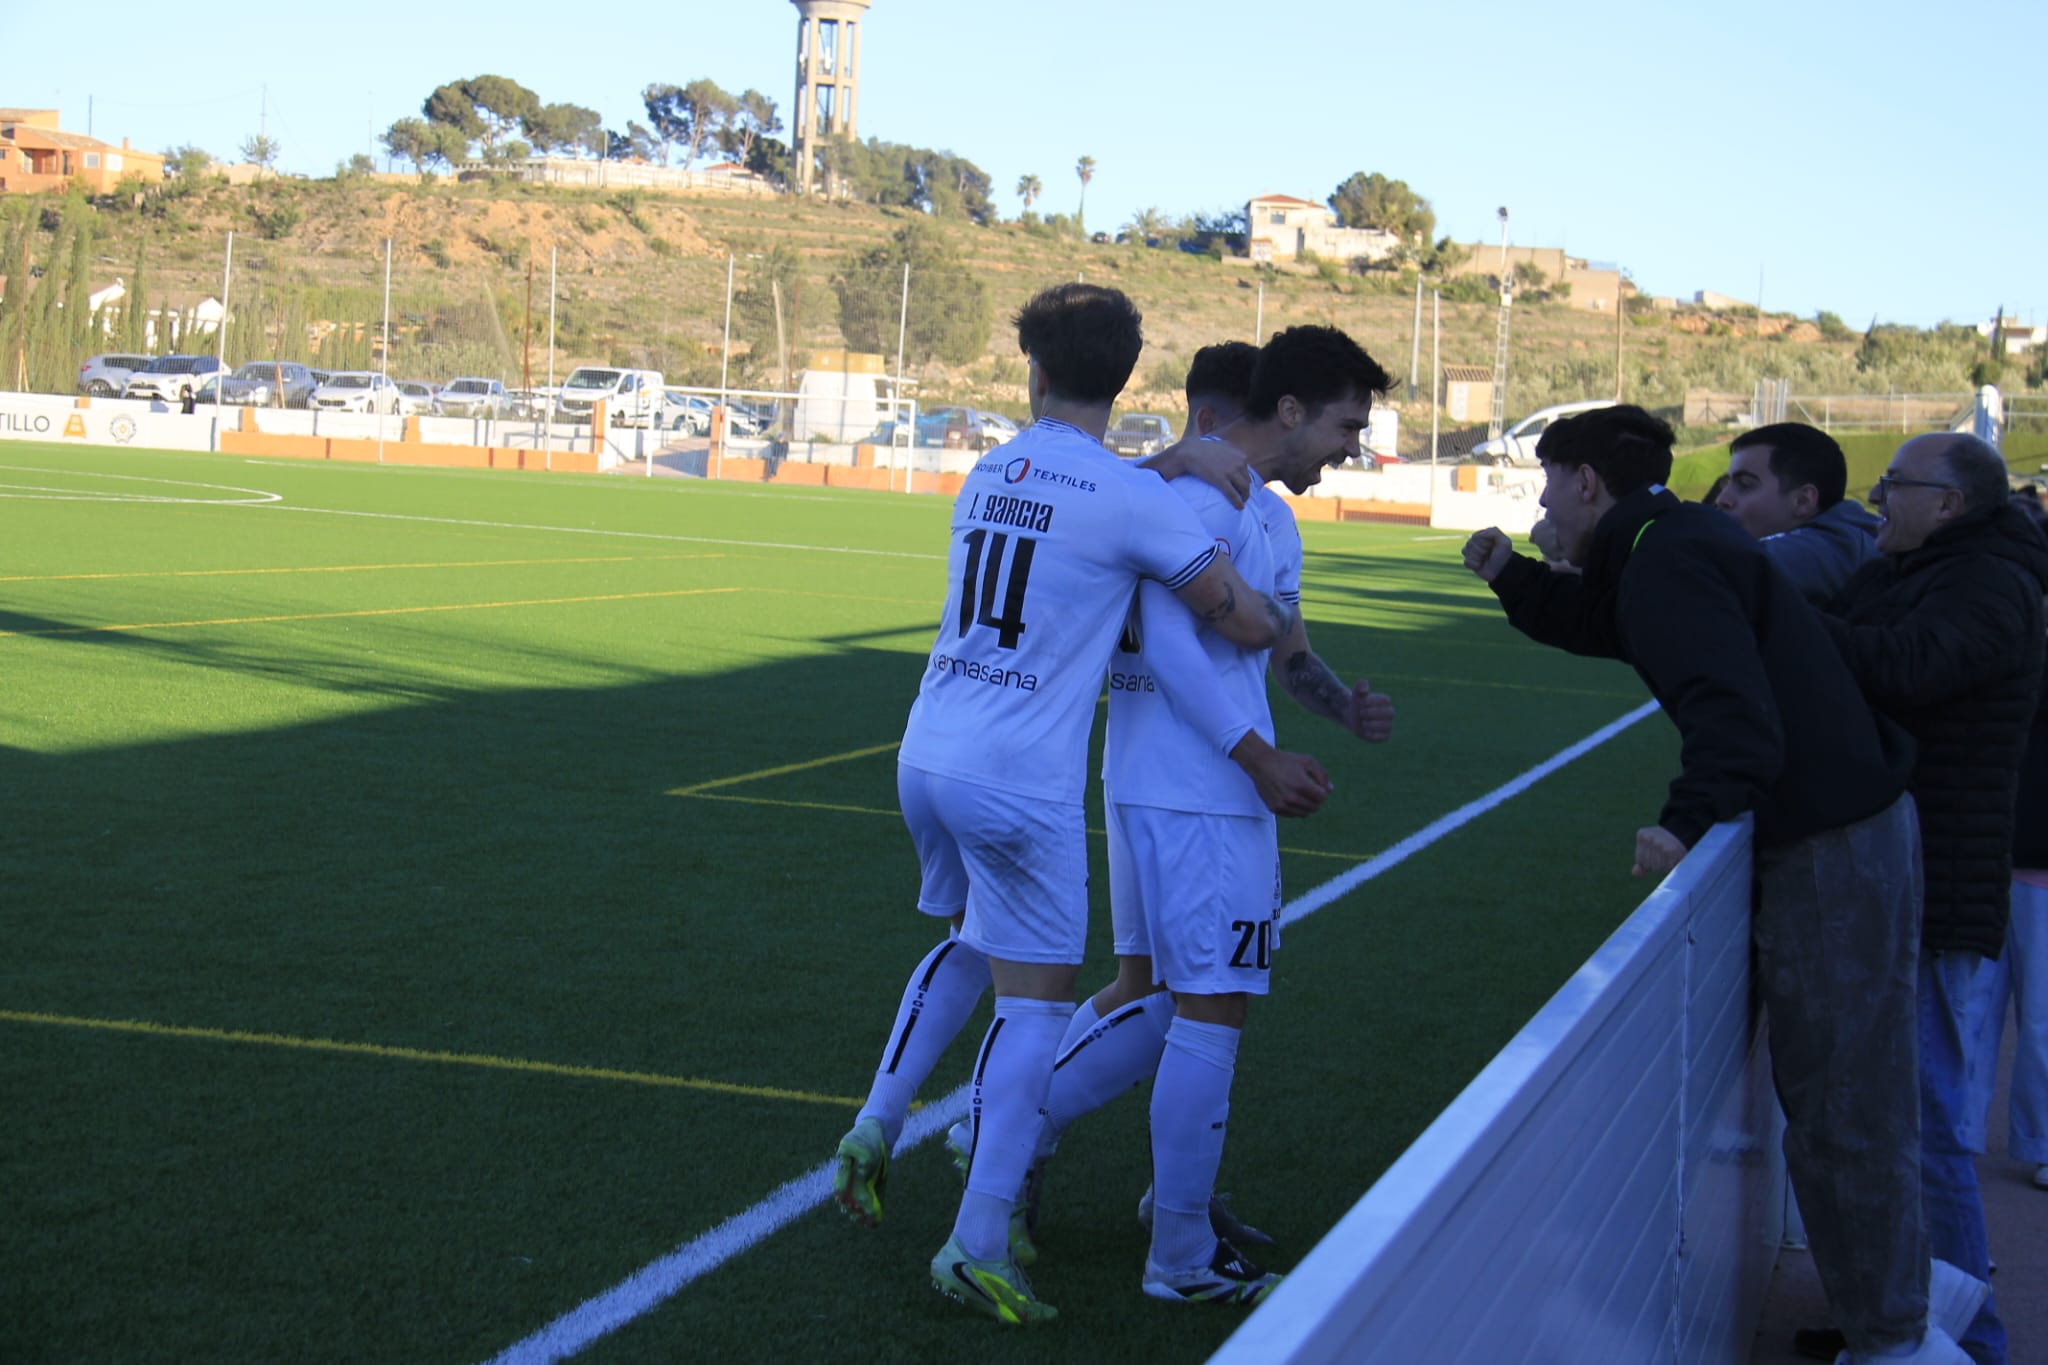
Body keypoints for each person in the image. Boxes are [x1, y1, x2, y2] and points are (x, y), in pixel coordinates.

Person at [1461, 405, 1984, 1365]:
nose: (1540, 500)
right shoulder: (1669, 539)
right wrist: (1515, 576)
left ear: (1586, 483)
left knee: (1842, 1110)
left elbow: (1732, 715)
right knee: (1850, 1099)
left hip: (1835, 843)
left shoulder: (1665, 553)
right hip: (1851, 826)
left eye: (1548, 481)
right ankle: (1910, 1299)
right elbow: (1614, 623)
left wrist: (1684, 819)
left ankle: (1902, 1339)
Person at [831, 282, 1297, 1326]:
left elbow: (1080, 497)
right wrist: (1270, 605)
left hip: (926, 751)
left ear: (1032, 373)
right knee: (1035, 1005)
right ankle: (977, 1238)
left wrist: (1169, 465)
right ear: (1124, 377)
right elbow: (1233, 616)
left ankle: (878, 1117)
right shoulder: (1133, 499)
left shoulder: (987, 468)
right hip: (1017, 775)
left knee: (968, 940)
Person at [963, 329, 1395, 1304]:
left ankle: (1014, 1140)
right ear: (1288, 411)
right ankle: (1179, 1258)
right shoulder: (1210, 498)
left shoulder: (1257, 513)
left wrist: (1338, 707)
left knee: (1157, 996)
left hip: (1162, 781)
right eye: (1343, 424)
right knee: (1210, 1009)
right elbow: (1167, 635)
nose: (1350, 446)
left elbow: (1278, 648)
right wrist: (1256, 757)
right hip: (1198, 789)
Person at [1817, 432, 2048, 1365]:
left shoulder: (1990, 585)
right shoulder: (1922, 569)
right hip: (1906, 874)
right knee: (1901, 1120)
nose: (1878, 498)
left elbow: (1903, 666)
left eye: (1894, 486)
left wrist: (1782, 619)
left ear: (1949, 505)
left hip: (1935, 884)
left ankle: (1975, 1337)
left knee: (1930, 1126)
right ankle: (1908, 1315)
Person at [1713, 422, 1881, 605]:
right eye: (1726, 484)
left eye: (1745, 484)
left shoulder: (1830, 548)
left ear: (1803, 501)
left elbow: (1729, 567)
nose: (1722, 499)